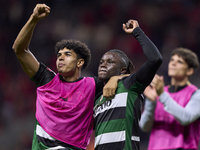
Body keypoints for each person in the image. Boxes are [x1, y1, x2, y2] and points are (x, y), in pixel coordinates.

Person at [12, 3, 124, 150]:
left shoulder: (93, 85)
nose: (61, 58)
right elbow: (20, 50)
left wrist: (115, 79)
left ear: (80, 62)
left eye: (67, 55)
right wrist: (33, 19)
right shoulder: (47, 80)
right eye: (59, 55)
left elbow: (133, 80)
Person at [93, 19, 163, 150]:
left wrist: (137, 32)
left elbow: (155, 59)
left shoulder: (129, 84)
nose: (103, 64)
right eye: (101, 62)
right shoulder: (97, 98)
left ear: (123, 70)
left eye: (110, 62)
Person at [139, 47, 200, 150]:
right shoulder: (160, 92)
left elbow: (186, 118)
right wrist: (151, 102)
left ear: (189, 71)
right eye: (172, 60)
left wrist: (161, 94)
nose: (173, 63)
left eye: (179, 61)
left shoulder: (196, 94)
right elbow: (145, 126)